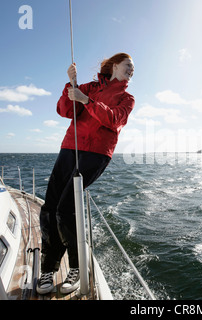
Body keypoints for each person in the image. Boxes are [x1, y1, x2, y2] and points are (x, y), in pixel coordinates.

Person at [37, 53, 135, 295]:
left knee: (66, 207)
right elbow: (64, 111)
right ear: (114, 66)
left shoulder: (127, 98)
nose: (132, 70)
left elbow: (113, 120)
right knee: (50, 208)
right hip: (70, 146)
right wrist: (70, 86)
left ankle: (76, 267)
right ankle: (48, 269)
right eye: (128, 66)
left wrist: (87, 101)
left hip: (97, 152)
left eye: (133, 68)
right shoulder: (89, 87)